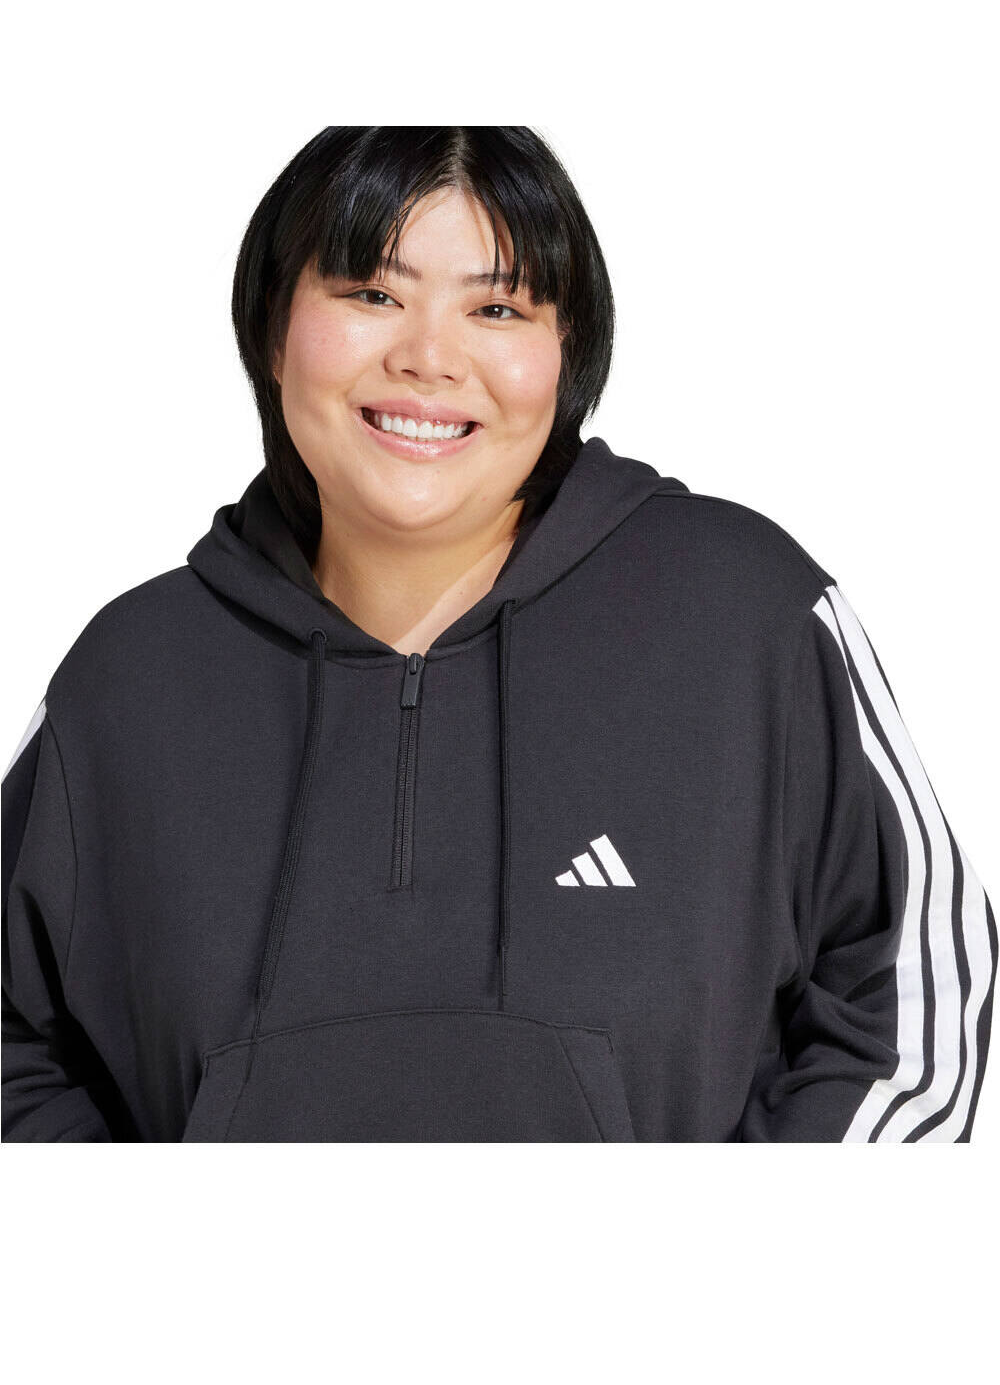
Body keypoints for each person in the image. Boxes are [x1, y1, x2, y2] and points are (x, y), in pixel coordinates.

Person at [2, 126, 996, 1143]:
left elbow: (910, 1001)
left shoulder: (747, 617)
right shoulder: (128, 678)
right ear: (273, 329)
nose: (428, 359)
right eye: (371, 293)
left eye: (496, 308)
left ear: (567, 354)